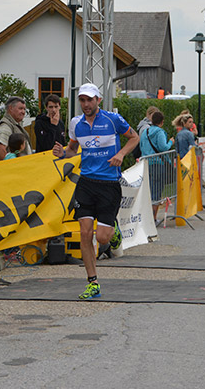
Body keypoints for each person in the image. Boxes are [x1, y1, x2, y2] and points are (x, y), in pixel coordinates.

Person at [52, 83, 138, 300]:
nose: (86, 104)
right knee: (85, 233)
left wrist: (121, 154)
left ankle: (113, 229)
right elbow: (72, 150)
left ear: (98, 100)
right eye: (82, 100)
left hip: (109, 184)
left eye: (90, 100)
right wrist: (63, 153)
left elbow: (135, 138)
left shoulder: (112, 120)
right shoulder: (76, 124)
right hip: (86, 183)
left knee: (102, 238)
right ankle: (93, 283)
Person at [140, 110, 174, 219]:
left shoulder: (145, 132)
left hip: (146, 163)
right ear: (162, 122)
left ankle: (147, 217)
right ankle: (153, 217)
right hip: (157, 164)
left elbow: (141, 146)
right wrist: (171, 142)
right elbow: (163, 147)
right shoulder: (159, 132)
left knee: (148, 190)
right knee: (157, 191)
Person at [0, 96, 32, 161]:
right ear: (10, 108)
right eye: (20, 108)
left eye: (24, 109)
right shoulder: (5, 126)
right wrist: (10, 166)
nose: (23, 112)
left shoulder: (15, 124)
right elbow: (0, 150)